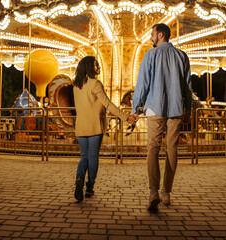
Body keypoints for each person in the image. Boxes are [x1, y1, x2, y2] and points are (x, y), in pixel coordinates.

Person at [131, 23, 192, 211]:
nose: (151, 38)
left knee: (153, 147)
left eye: (152, 35)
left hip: (154, 108)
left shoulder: (151, 55)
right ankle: (166, 192)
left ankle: (153, 191)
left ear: (160, 34)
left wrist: (135, 108)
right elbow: (187, 87)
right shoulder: (182, 56)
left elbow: (143, 84)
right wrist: (187, 110)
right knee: (172, 148)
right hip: (175, 109)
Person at [73, 56, 138, 202]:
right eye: (96, 65)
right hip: (95, 125)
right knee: (93, 157)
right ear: (90, 66)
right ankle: (89, 188)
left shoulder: (76, 85)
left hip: (81, 126)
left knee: (84, 157)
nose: (98, 67)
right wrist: (126, 117)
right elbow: (107, 104)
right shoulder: (95, 83)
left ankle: (79, 179)